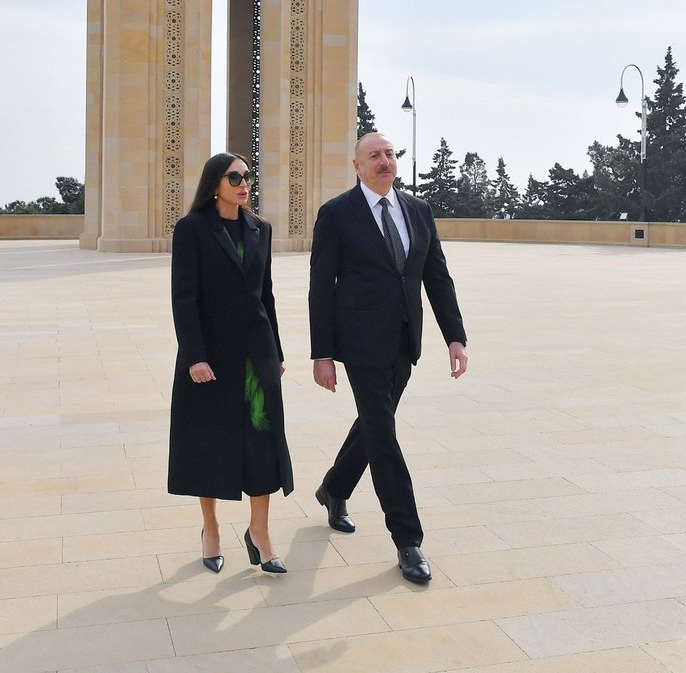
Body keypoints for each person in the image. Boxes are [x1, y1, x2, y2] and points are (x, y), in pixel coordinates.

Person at [308, 131, 468, 584]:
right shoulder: (337, 214)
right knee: (383, 434)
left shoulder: (417, 210)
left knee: (373, 423)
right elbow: (321, 288)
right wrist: (322, 354)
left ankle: (334, 487)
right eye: (374, 155)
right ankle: (408, 540)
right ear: (357, 166)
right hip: (359, 343)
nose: (385, 161)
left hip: (403, 341)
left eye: (390, 154)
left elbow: (437, 276)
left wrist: (454, 337)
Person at [168, 152, 293, 575]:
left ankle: (260, 532)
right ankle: (211, 529)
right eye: (234, 177)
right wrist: (194, 356)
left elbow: (267, 296)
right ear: (214, 183)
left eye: (247, 176)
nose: (244, 183)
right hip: (211, 357)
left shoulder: (261, 229)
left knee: (262, 443)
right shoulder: (192, 230)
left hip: (256, 357)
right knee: (211, 444)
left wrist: (274, 351)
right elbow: (184, 298)